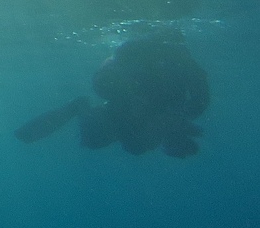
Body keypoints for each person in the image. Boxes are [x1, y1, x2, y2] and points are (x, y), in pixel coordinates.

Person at [15, 30, 210, 158]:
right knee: (116, 135)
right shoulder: (186, 99)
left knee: (119, 139)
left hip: (132, 83)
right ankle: (85, 109)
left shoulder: (184, 93)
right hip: (129, 77)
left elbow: (195, 78)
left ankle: (85, 109)